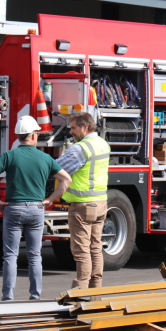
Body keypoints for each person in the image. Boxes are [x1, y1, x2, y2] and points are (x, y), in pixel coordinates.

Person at [0, 115, 72, 301]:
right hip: (36, 209)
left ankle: (8, 298)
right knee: (34, 256)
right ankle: (35, 296)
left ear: (18, 136)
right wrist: (50, 199)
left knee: (10, 256)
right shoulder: (45, 158)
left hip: (13, 209)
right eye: (37, 133)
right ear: (32, 135)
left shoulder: (9, 156)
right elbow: (66, 179)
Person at [56, 113, 111, 289]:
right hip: (100, 203)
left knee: (81, 251)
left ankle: (81, 289)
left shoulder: (80, 149)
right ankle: (95, 289)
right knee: (95, 248)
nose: (70, 132)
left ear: (85, 127)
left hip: (82, 205)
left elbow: (57, 168)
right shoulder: (103, 144)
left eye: (73, 128)